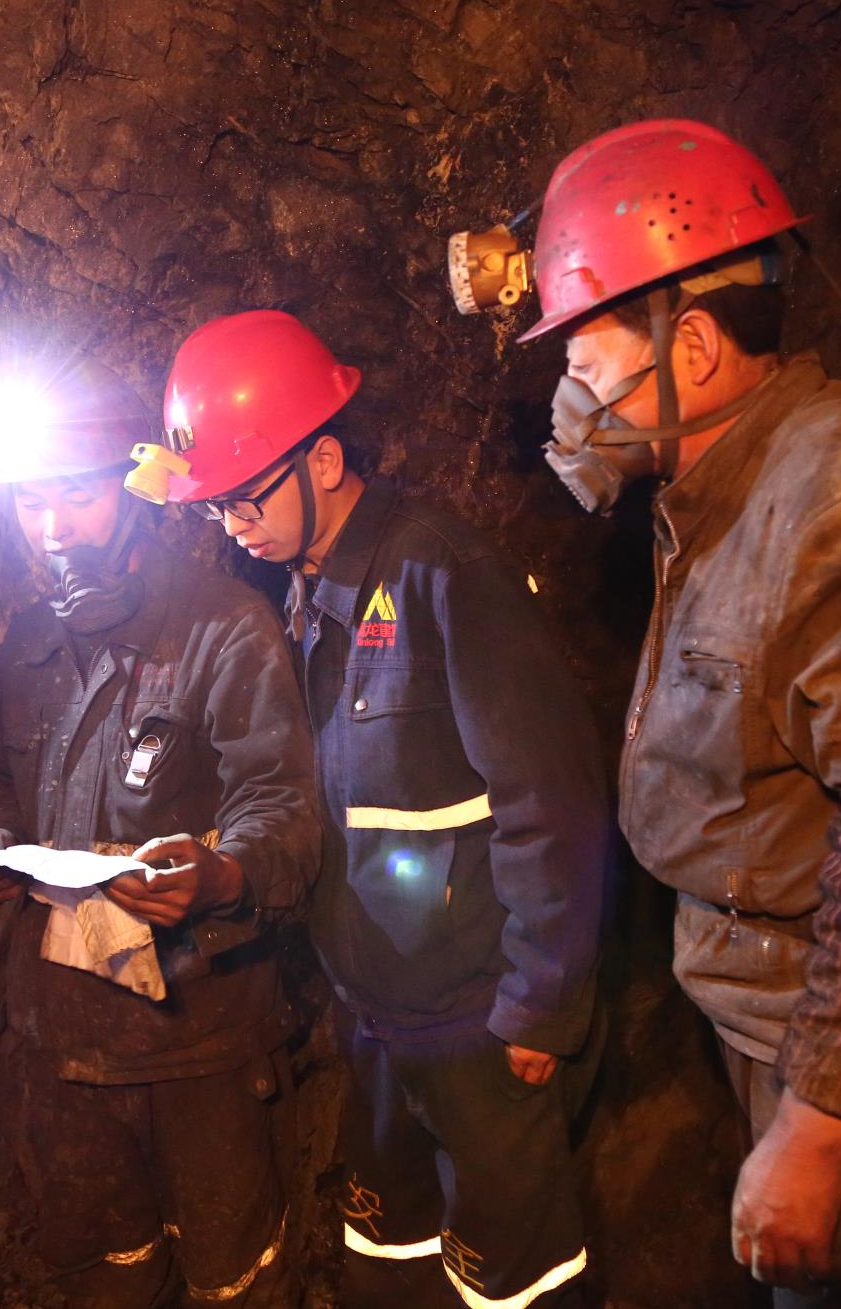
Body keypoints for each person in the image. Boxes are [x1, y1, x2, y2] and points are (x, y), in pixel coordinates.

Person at [505, 118, 841, 1305]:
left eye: (585, 365)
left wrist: (818, 1126)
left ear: (688, 345)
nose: (570, 403)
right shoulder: (721, 493)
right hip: (780, 1020)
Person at [127, 311, 612, 1309]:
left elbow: (552, 797)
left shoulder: (443, 574)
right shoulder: (302, 598)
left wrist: (542, 1002)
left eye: (246, 495)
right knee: (390, 1262)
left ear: (325, 459)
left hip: (481, 1022)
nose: (233, 523)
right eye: (215, 506)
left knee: (510, 1284)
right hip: (378, 1017)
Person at [0, 355, 320, 1307]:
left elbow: (283, 802)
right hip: (63, 1038)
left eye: (75, 496)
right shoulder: (27, 642)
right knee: (108, 1273)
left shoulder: (223, 627)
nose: (52, 528)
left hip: (200, 1036)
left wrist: (222, 874)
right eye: (30, 501)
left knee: (233, 1279)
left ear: (134, 491)